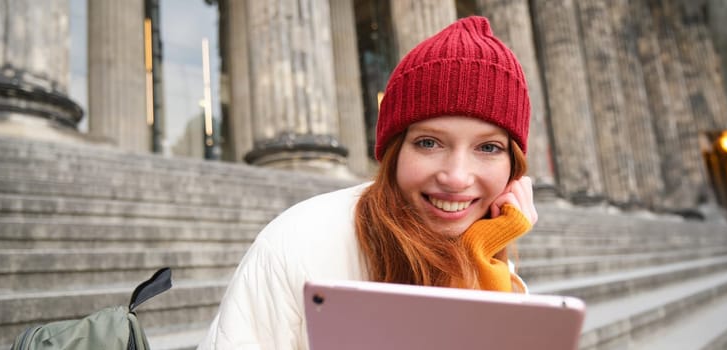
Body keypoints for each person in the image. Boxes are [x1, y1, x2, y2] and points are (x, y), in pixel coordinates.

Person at [198, 15, 538, 349]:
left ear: (514, 167)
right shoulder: (296, 243)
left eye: (489, 147)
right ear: (393, 150)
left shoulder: (484, 253)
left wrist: (481, 250)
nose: (456, 177)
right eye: (429, 142)